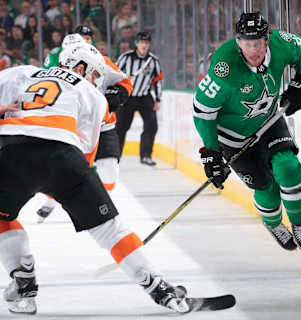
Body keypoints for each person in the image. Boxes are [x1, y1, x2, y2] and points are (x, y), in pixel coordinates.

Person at [0, 41, 190, 314]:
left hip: (13, 151)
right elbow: (86, 151)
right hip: (65, 157)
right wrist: (67, 188)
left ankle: (23, 280)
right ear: (79, 66)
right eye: (94, 74)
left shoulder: (24, 72)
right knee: (110, 228)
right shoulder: (93, 94)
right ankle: (159, 288)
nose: (95, 80)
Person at [193, 12, 301, 258]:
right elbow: (202, 111)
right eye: (247, 44)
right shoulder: (224, 66)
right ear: (238, 42)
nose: (253, 50)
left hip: (270, 120)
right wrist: (211, 152)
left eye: (258, 43)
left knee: (288, 166)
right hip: (232, 137)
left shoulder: (282, 43)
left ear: (267, 39)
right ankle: (273, 224)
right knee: (265, 187)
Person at [37, 26, 133, 223]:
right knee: (65, 167)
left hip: (102, 124)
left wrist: (116, 96)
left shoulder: (100, 60)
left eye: (88, 38)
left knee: (109, 170)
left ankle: (101, 201)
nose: (86, 42)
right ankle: (52, 200)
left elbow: (125, 83)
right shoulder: (55, 61)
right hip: (72, 123)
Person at [116, 31, 163, 166]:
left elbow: (158, 80)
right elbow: (115, 74)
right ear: (136, 44)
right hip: (127, 97)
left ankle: (146, 156)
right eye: (141, 42)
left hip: (144, 97)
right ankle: (116, 156)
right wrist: (117, 94)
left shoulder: (153, 61)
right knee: (120, 128)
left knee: (152, 125)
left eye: (146, 43)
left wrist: (158, 99)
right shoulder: (125, 58)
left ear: (149, 45)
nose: (144, 45)